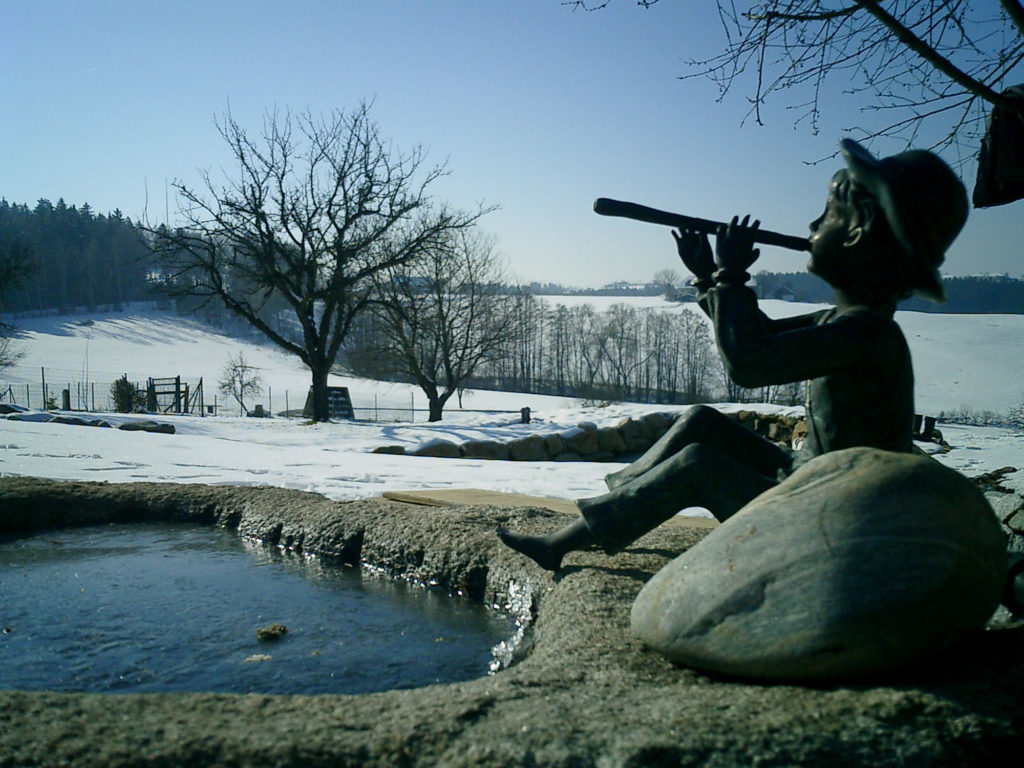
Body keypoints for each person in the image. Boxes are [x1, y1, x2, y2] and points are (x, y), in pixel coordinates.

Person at [498, 139, 969, 571]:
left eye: (826, 216)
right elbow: (757, 334)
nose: (810, 227)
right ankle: (618, 511)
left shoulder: (865, 336)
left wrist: (731, 276)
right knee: (701, 421)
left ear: (857, 236)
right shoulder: (847, 324)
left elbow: (749, 362)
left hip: (836, 514)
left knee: (698, 465)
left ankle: (563, 545)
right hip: (812, 481)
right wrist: (709, 278)